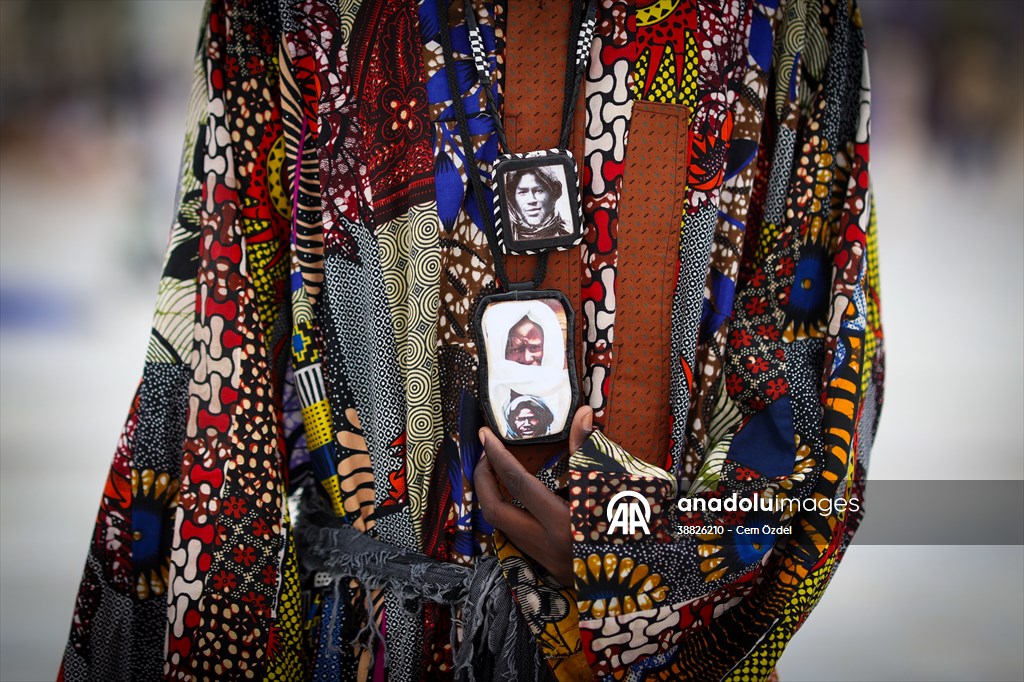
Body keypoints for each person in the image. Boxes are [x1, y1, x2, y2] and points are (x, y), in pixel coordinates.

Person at [60, 1, 884, 681]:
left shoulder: (789, 17)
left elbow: (824, 408)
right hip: (375, 647)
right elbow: (214, 373)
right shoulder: (285, 11)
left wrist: (636, 546)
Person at [505, 166, 571, 241]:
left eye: (539, 191)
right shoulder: (506, 236)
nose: (531, 200)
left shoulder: (569, 231)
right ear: (512, 197)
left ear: (554, 193)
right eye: (522, 192)